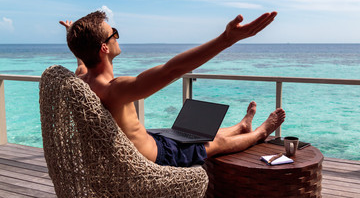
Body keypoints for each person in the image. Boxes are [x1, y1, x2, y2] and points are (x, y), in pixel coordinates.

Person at [60, 11, 285, 167]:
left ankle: (241, 127)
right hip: (158, 157)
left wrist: (73, 34)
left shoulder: (82, 80)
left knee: (195, 135)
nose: (118, 37)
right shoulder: (115, 89)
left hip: (151, 141)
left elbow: (82, 61)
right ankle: (260, 133)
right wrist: (226, 39)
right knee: (215, 143)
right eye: (114, 34)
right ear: (104, 48)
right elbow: (172, 70)